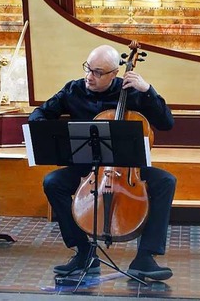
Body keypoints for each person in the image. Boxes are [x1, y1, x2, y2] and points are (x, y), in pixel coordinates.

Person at [29, 44, 176, 281]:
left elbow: (167, 122)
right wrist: (44, 127)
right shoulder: (73, 90)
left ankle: (145, 258)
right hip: (88, 168)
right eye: (88, 68)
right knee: (53, 182)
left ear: (114, 74)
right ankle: (84, 252)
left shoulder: (132, 92)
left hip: (129, 170)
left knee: (166, 181)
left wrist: (148, 90)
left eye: (98, 72)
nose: (89, 76)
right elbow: (40, 113)